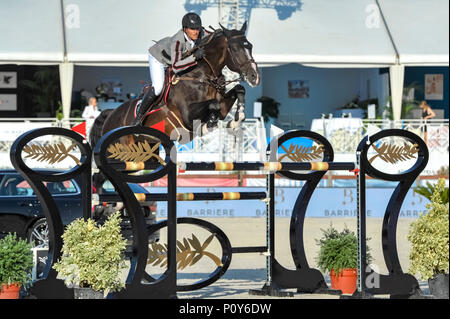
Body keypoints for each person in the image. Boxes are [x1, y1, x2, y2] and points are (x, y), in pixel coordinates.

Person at [131, 12, 207, 126]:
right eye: (192, 29)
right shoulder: (177, 41)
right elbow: (176, 66)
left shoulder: (201, 33)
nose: (196, 31)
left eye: (197, 28)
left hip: (175, 60)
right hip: (159, 58)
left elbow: (214, 35)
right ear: (185, 29)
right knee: (158, 88)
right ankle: (138, 117)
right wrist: (194, 57)